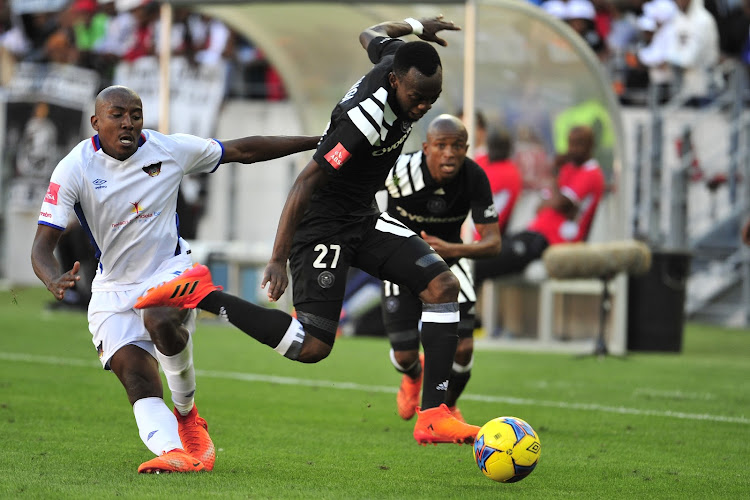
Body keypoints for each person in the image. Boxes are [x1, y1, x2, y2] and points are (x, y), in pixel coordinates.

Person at [136, 16, 483, 445]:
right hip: (322, 226)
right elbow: (306, 181)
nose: (423, 107)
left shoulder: (398, 62)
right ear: (394, 83)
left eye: (432, 98)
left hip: (362, 215)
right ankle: (203, 295)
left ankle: (433, 415)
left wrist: (415, 25)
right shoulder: (365, 121)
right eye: (416, 99)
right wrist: (279, 257)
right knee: (312, 347)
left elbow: (372, 35)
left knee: (441, 285)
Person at [31, 85, 320, 474]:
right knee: (137, 381)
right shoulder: (74, 167)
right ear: (96, 122)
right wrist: (53, 278)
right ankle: (177, 453)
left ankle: (186, 416)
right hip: (113, 289)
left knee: (159, 316)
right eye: (117, 115)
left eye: (136, 113)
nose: (128, 122)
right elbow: (42, 246)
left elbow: (243, 150)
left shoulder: (169, 149)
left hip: (171, 271)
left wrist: (318, 141)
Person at [380, 114, 501, 423]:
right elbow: (359, 188)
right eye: (441, 145)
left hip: (452, 265)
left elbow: (493, 242)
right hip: (400, 265)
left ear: (466, 148)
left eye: (458, 146)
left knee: (463, 349)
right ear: (425, 147)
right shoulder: (400, 171)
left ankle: (446, 408)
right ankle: (412, 376)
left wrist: (452, 249)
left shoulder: (474, 177)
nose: (449, 152)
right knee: (405, 356)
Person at [474, 125, 605, 282]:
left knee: (484, 263)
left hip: (554, 240)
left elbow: (562, 204)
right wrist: (555, 199)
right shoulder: (568, 168)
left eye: (579, 143)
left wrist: (555, 174)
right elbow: (540, 206)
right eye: (571, 143)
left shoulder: (591, 173)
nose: (573, 149)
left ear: (591, 145)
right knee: (481, 256)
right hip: (536, 232)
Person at [475, 125, 523, 236]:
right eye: (494, 146)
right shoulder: (482, 160)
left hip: (483, 234)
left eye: (500, 147)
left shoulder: (508, 172)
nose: (496, 151)